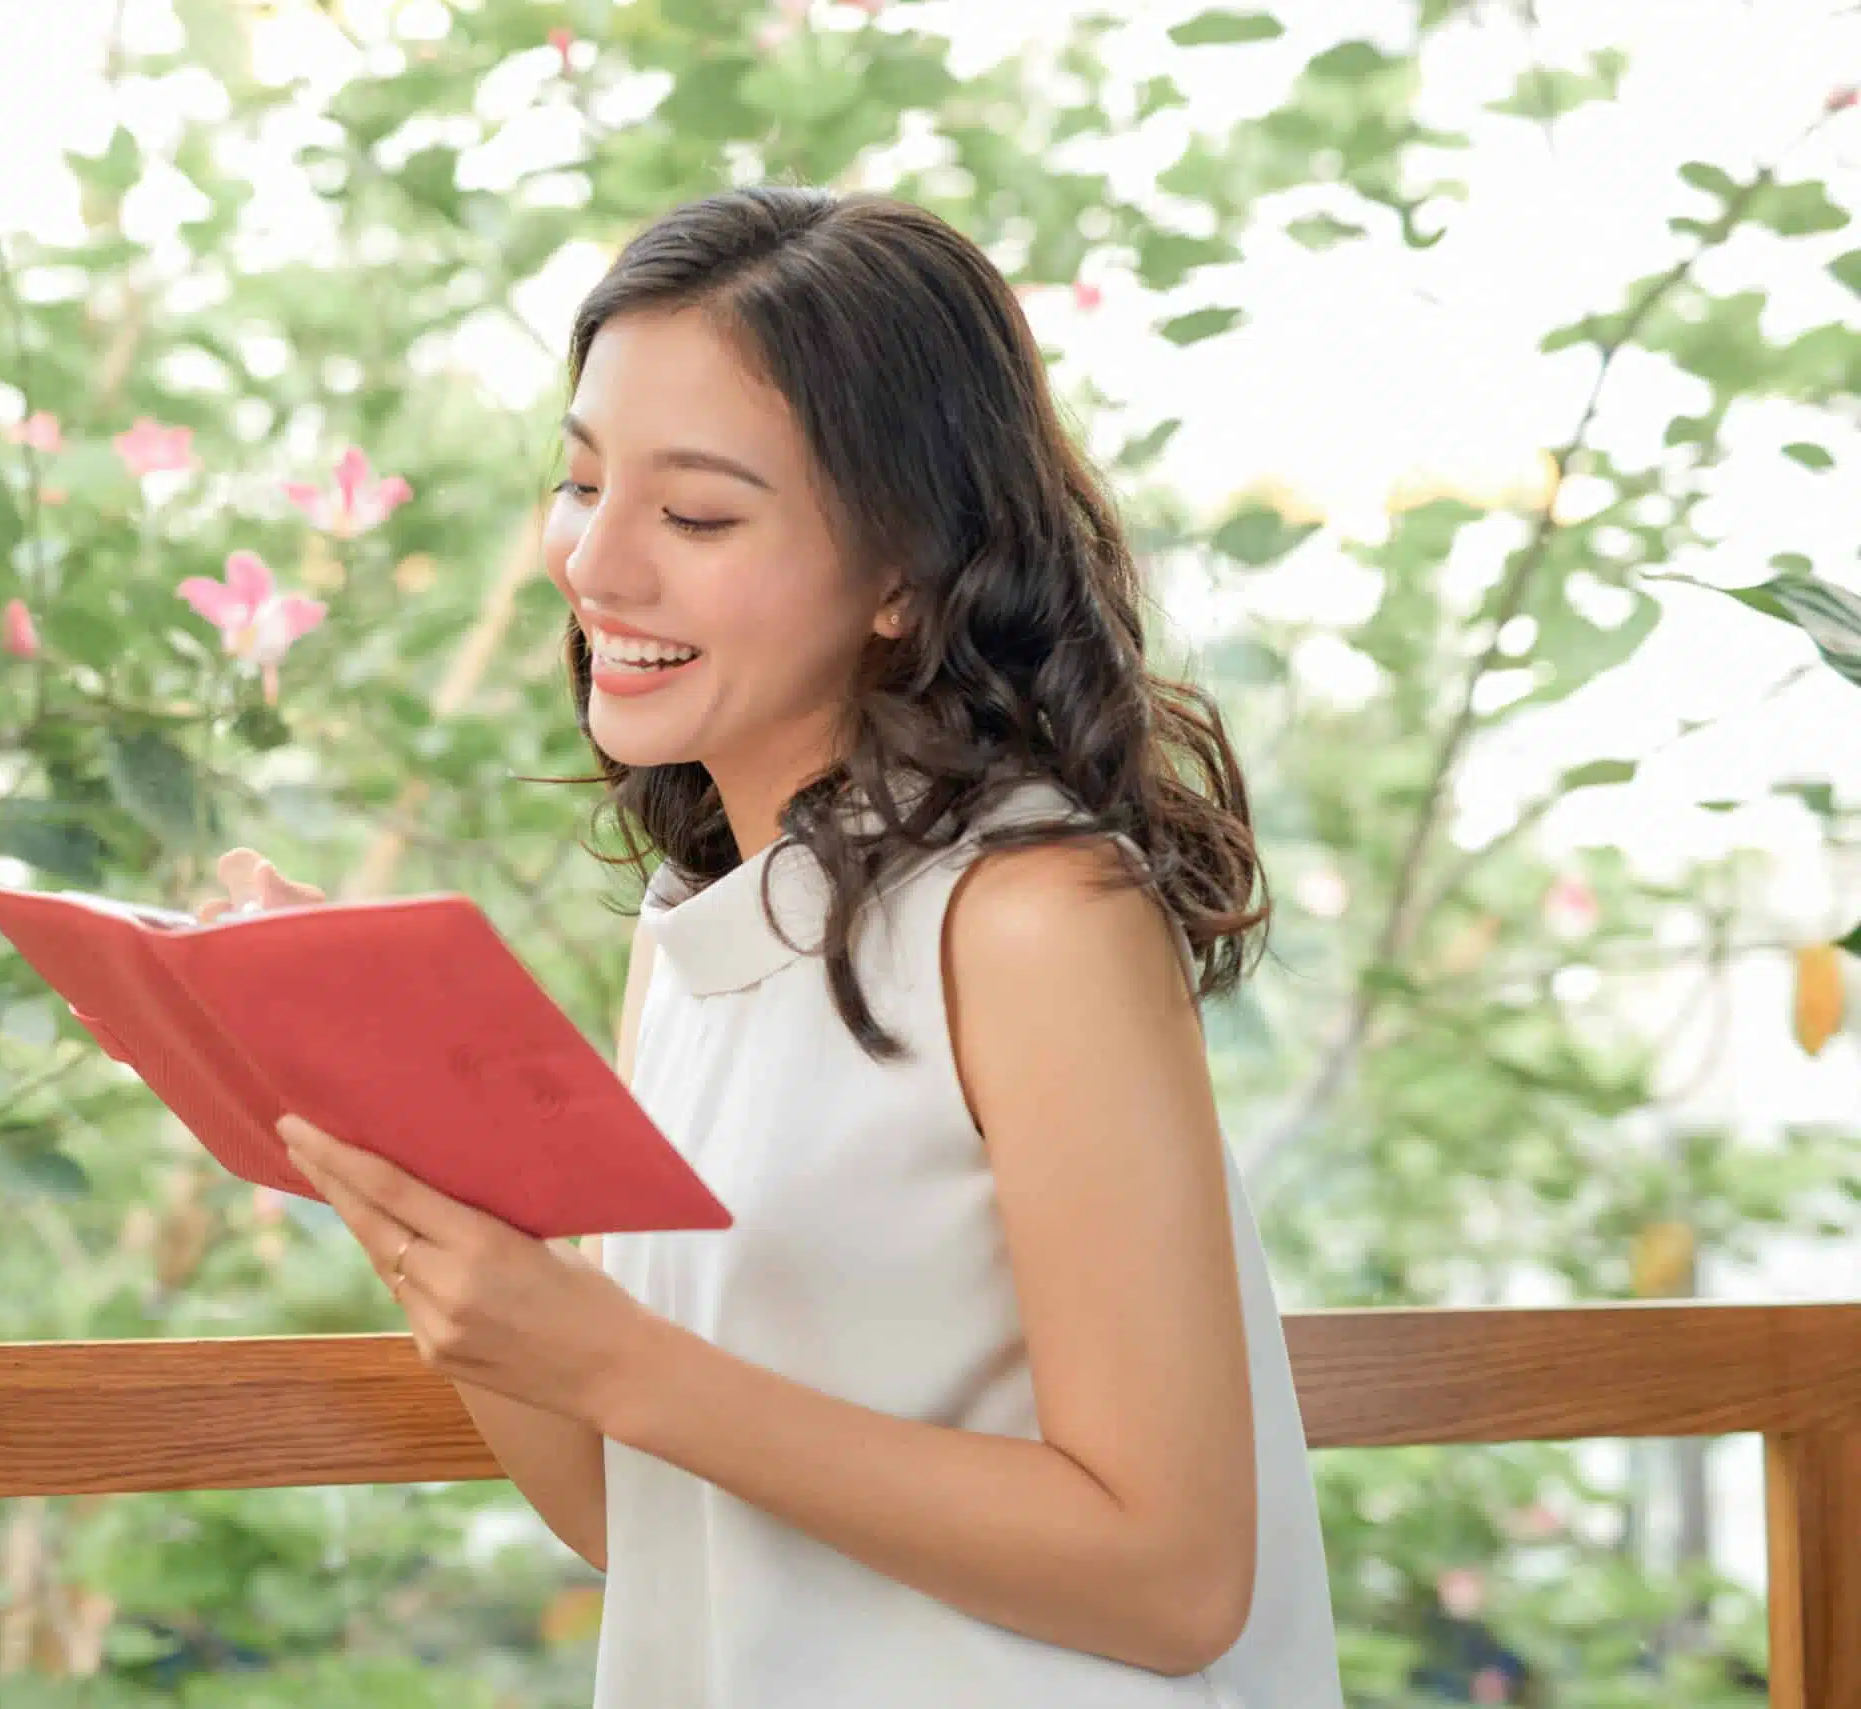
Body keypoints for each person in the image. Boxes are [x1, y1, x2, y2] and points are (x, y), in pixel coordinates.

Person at [209, 185, 1344, 1707]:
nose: (596, 567)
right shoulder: (698, 932)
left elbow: (1176, 1577)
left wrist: (615, 1358)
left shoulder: (1033, 920)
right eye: (581, 481)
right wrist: (392, 1130)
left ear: (901, 578)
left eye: (696, 514)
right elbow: (641, 1516)